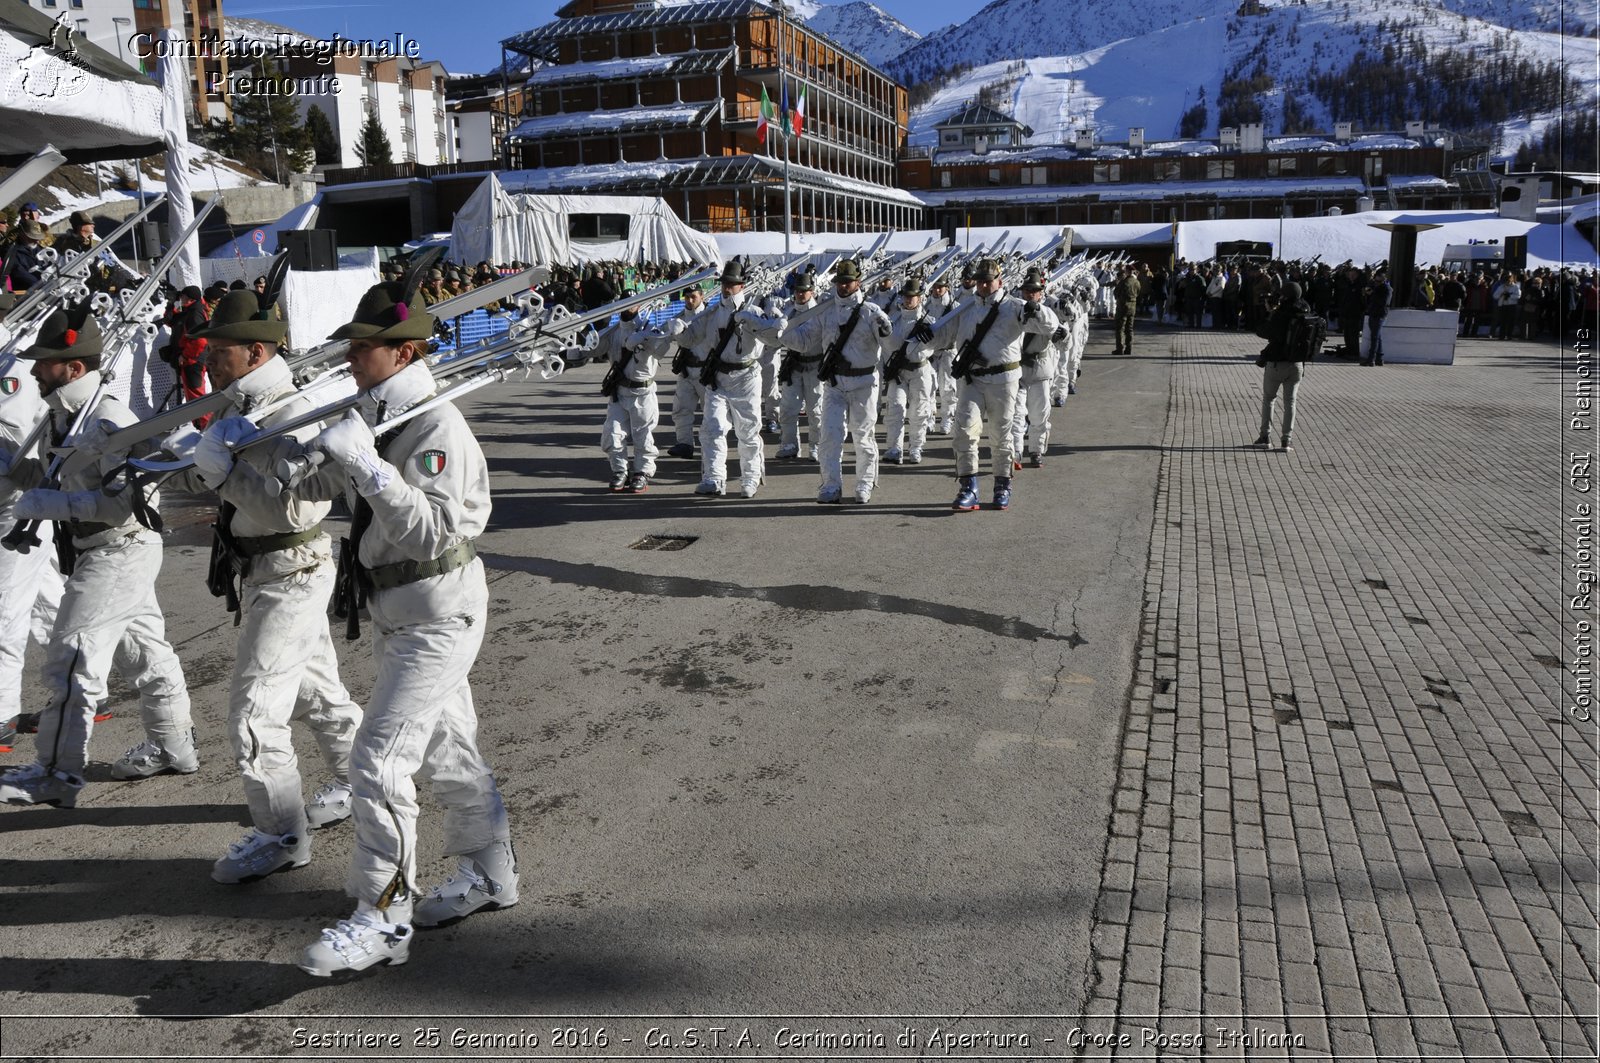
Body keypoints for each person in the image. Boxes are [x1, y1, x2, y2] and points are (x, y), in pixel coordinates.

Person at [272, 279, 516, 976]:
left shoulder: (438, 428)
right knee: (447, 750)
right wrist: (252, 460)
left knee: (378, 761)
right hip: (398, 611)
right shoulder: (375, 414)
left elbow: (432, 529)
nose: (350, 355)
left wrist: (368, 465)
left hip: (439, 612)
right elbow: (317, 485)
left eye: (363, 346)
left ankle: (382, 915)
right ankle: (489, 870)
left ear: (403, 351)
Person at [163, 290, 363, 883]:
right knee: (315, 692)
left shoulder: (290, 412)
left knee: (254, 715)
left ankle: (281, 835)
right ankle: (360, 779)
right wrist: (200, 468)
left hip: (292, 569)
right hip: (264, 571)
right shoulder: (239, 402)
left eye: (217, 352)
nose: (206, 360)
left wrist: (219, 475)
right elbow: (235, 493)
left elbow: (293, 511)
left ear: (255, 352)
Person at [0, 311, 197, 808]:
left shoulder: (109, 418)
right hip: (96, 549)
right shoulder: (63, 414)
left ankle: (56, 772)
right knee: (146, 653)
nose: (36, 373)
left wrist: (55, 506)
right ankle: (174, 746)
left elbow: (122, 505)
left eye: (45, 365)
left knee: (71, 657)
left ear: (71, 366)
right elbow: (48, 476)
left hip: (121, 547)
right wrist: (12, 469)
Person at [927, 257, 1060, 512]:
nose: (984, 286)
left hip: (1003, 380)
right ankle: (968, 486)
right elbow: (944, 336)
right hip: (972, 379)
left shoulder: (1014, 307)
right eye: (980, 282)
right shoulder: (965, 309)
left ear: (999, 281)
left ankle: (1002, 484)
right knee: (964, 432)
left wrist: (1037, 309)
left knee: (1001, 435)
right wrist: (926, 336)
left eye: (988, 282)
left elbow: (1050, 325)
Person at [774, 259, 894, 504]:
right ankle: (830, 485)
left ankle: (864, 484)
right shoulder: (825, 311)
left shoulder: (870, 311)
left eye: (848, 282)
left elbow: (889, 343)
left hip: (864, 382)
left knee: (862, 436)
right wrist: (783, 332)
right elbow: (806, 340)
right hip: (834, 382)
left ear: (858, 283)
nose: (843, 286)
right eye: (840, 282)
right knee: (829, 436)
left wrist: (886, 327)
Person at [681, 260, 768, 499]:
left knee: (748, 431)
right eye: (725, 284)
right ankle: (714, 478)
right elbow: (690, 338)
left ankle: (750, 478)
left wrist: (772, 325)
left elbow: (773, 339)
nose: (727, 288)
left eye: (732, 284)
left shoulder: (753, 312)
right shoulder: (711, 313)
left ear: (741, 286)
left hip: (746, 376)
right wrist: (678, 331)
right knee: (712, 429)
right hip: (718, 377)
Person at [597, 309, 661, 492]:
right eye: (626, 305)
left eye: (633, 305)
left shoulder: (649, 327)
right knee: (612, 434)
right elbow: (594, 349)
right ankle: (619, 471)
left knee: (643, 436)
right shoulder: (613, 332)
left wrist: (646, 337)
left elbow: (661, 348)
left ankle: (642, 472)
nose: (629, 309)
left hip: (643, 392)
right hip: (619, 391)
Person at [882, 274, 937, 465]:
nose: (908, 299)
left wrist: (930, 335)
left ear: (920, 298)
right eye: (905, 296)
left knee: (919, 412)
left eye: (912, 296)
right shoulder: (893, 319)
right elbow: (887, 344)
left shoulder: (929, 321)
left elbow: (937, 344)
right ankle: (894, 448)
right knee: (895, 409)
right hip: (898, 372)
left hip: (920, 371)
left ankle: (915, 447)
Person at [770, 268, 823, 461]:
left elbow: (804, 343)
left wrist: (782, 333)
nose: (800, 294)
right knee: (788, 409)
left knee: (816, 411)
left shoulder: (819, 313)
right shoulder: (790, 311)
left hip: (815, 366)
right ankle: (789, 444)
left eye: (804, 290)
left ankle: (816, 447)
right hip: (794, 365)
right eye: (798, 291)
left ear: (812, 291)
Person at [1009, 267, 1059, 467]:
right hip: (1018, 368)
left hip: (1039, 369)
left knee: (1039, 414)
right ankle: (1016, 452)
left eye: (1034, 290)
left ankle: (1037, 450)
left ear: (1041, 293)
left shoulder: (1047, 312)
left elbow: (1054, 328)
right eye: (1026, 290)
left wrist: (1037, 312)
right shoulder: (1014, 310)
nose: (1030, 294)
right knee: (1016, 414)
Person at [1253, 281, 1309, 452]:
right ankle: (1286, 440)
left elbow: (1263, 331)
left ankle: (1265, 437)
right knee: (1290, 402)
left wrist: (1270, 312)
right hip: (1297, 364)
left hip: (1277, 363)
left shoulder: (1281, 314)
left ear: (1284, 295)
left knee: (1269, 399)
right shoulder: (1305, 312)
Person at [664, 286, 709, 461]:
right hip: (686, 370)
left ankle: (709, 445)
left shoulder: (709, 316)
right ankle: (684, 444)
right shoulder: (679, 318)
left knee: (710, 412)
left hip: (707, 371)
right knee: (681, 409)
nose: (690, 301)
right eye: (687, 297)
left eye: (693, 297)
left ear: (701, 296)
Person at [1363, 269, 1391, 366]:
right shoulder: (1375, 288)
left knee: (1374, 337)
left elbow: (1384, 302)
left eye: (1378, 281)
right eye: (1375, 281)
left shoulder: (1386, 289)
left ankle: (1371, 359)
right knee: (1377, 337)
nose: (1376, 283)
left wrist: (1373, 293)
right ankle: (1379, 358)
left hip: (1379, 314)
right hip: (1373, 313)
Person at [1112, 265, 1140, 355]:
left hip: (1122, 307)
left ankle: (1119, 348)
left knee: (1120, 328)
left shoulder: (1123, 282)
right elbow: (1138, 292)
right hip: (1133, 307)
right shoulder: (1137, 282)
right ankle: (1129, 348)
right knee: (1130, 329)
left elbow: (1116, 292)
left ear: (1127, 271)